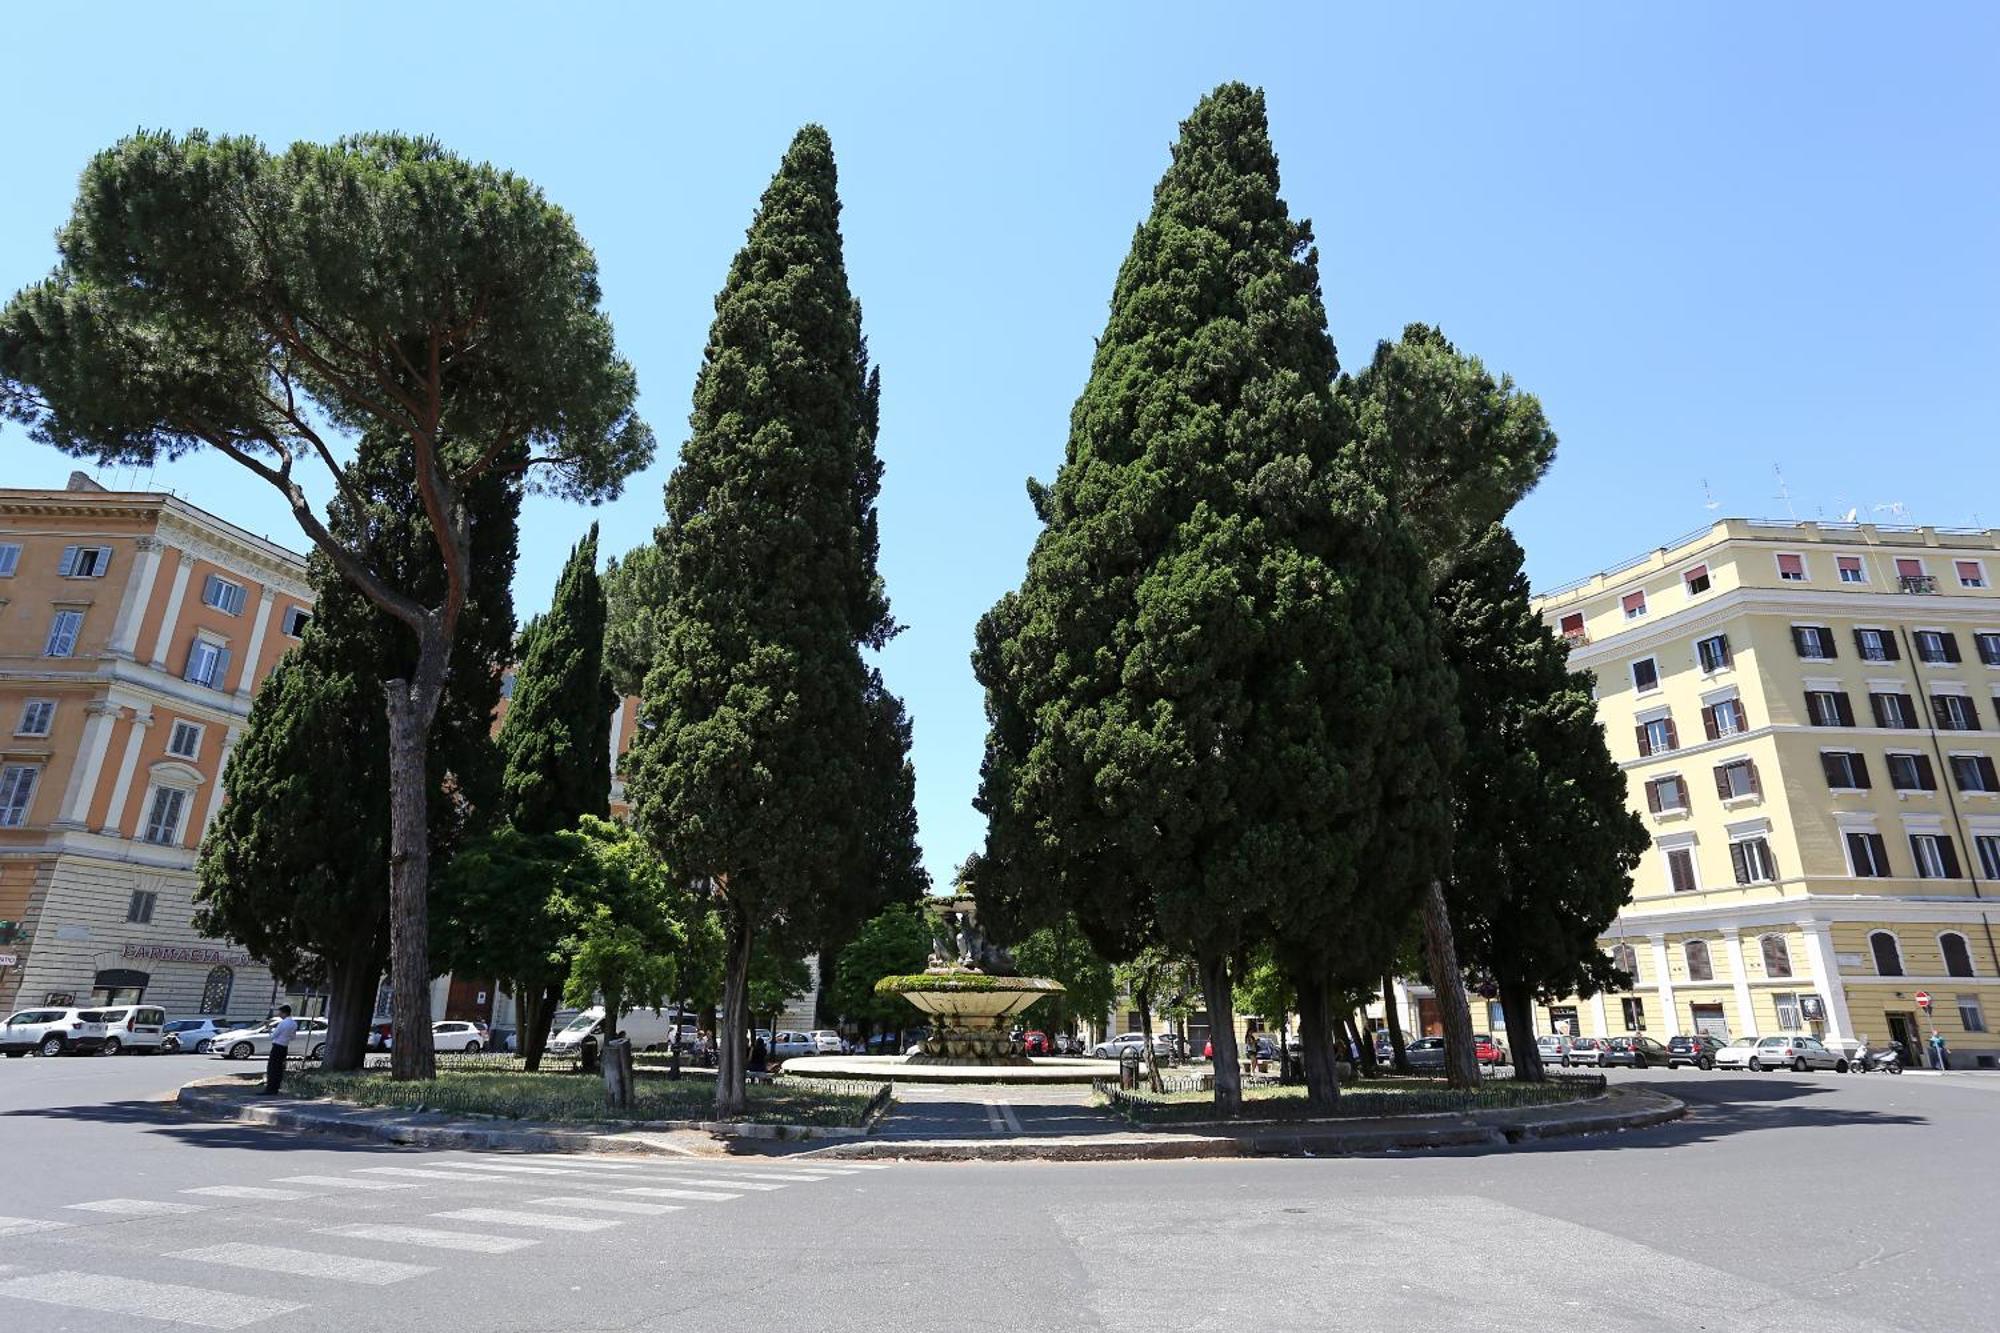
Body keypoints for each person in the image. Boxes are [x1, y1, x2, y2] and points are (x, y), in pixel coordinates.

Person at [265, 1005, 298, 1095]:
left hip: (277, 1046)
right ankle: (276, 1087)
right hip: (284, 1047)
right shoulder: (294, 1023)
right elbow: (293, 1037)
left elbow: (273, 1036)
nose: (279, 1014)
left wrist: (269, 1029)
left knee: (272, 1068)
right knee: (279, 1068)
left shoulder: (282, 1023)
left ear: (284, 1013)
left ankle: (270, 1088)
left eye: (280, 1012)